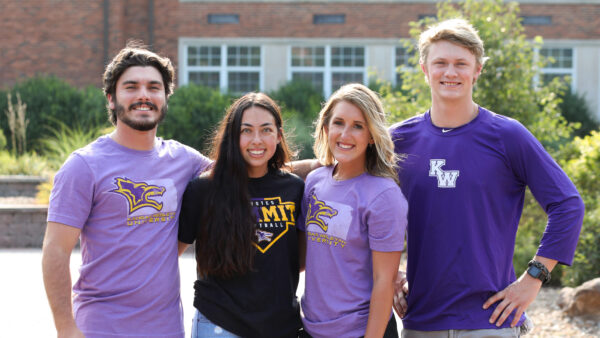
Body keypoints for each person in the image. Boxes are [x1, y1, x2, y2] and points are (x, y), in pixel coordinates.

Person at [390, 19, 584, 336]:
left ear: (477, 70)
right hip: (420, 319)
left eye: (461, 64)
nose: (450, 73)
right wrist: (389, 273)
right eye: (440, 63)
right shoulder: (398, 140)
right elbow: (359, 199)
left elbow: (568, 204)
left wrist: (535, 277)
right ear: (424, 69)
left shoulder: (508, 136)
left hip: (490, 321)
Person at [41, 43, 212, 338]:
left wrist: (317, 165)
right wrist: (65, 327)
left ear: (165, 97)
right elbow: (55, 250)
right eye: (131, 87)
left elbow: (246, 171)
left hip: (166, 329)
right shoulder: (84, 165)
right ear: (111, 98)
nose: (144, 95)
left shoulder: (183, 160)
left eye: (154, 87)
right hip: (100, 327)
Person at [177, 92, 305, 337]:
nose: (256, 139)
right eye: (246, 130)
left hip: (280, 326)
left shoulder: (295, 188)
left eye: (266, 130)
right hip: (219, 325)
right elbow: (169, 254)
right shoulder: (204, 190)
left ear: (279, 136)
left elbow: (297, 260)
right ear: (232, 137)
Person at [299, 83, 408, 338]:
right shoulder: (314, 181)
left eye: (358, 126)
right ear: (326, 128)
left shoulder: (384, 194)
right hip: (311, 329)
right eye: (339, 123)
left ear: (372, 135)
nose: (345, 134)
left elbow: (384, 281)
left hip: (360, 332)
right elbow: (303, 261)